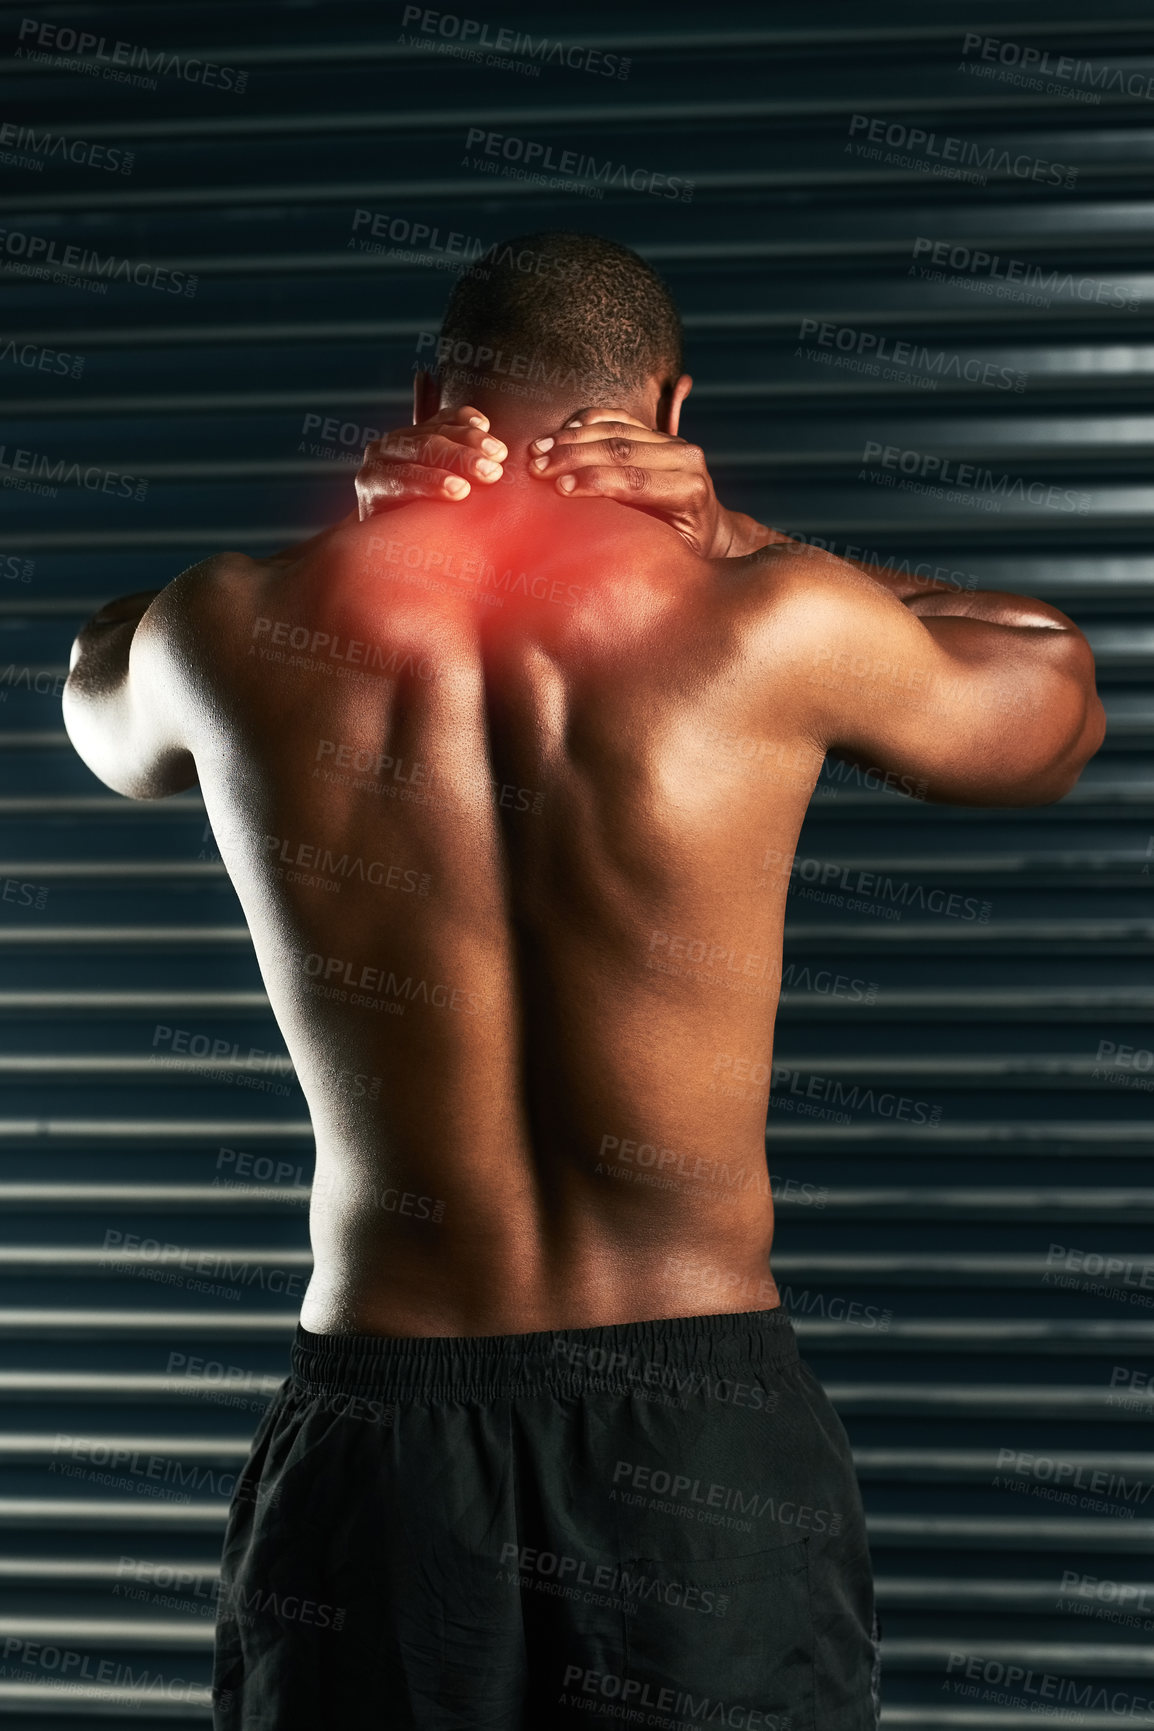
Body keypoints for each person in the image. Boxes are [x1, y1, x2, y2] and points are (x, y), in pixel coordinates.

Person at [62, 231, 1105, 1731]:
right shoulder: (774, 620)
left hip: (382, 1431)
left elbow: (97, 690)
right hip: (700, 1440)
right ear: (669, 416)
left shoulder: (236, 629)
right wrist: (740, 537)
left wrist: (344, 542)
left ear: (429, 398)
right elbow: (1049, 699)